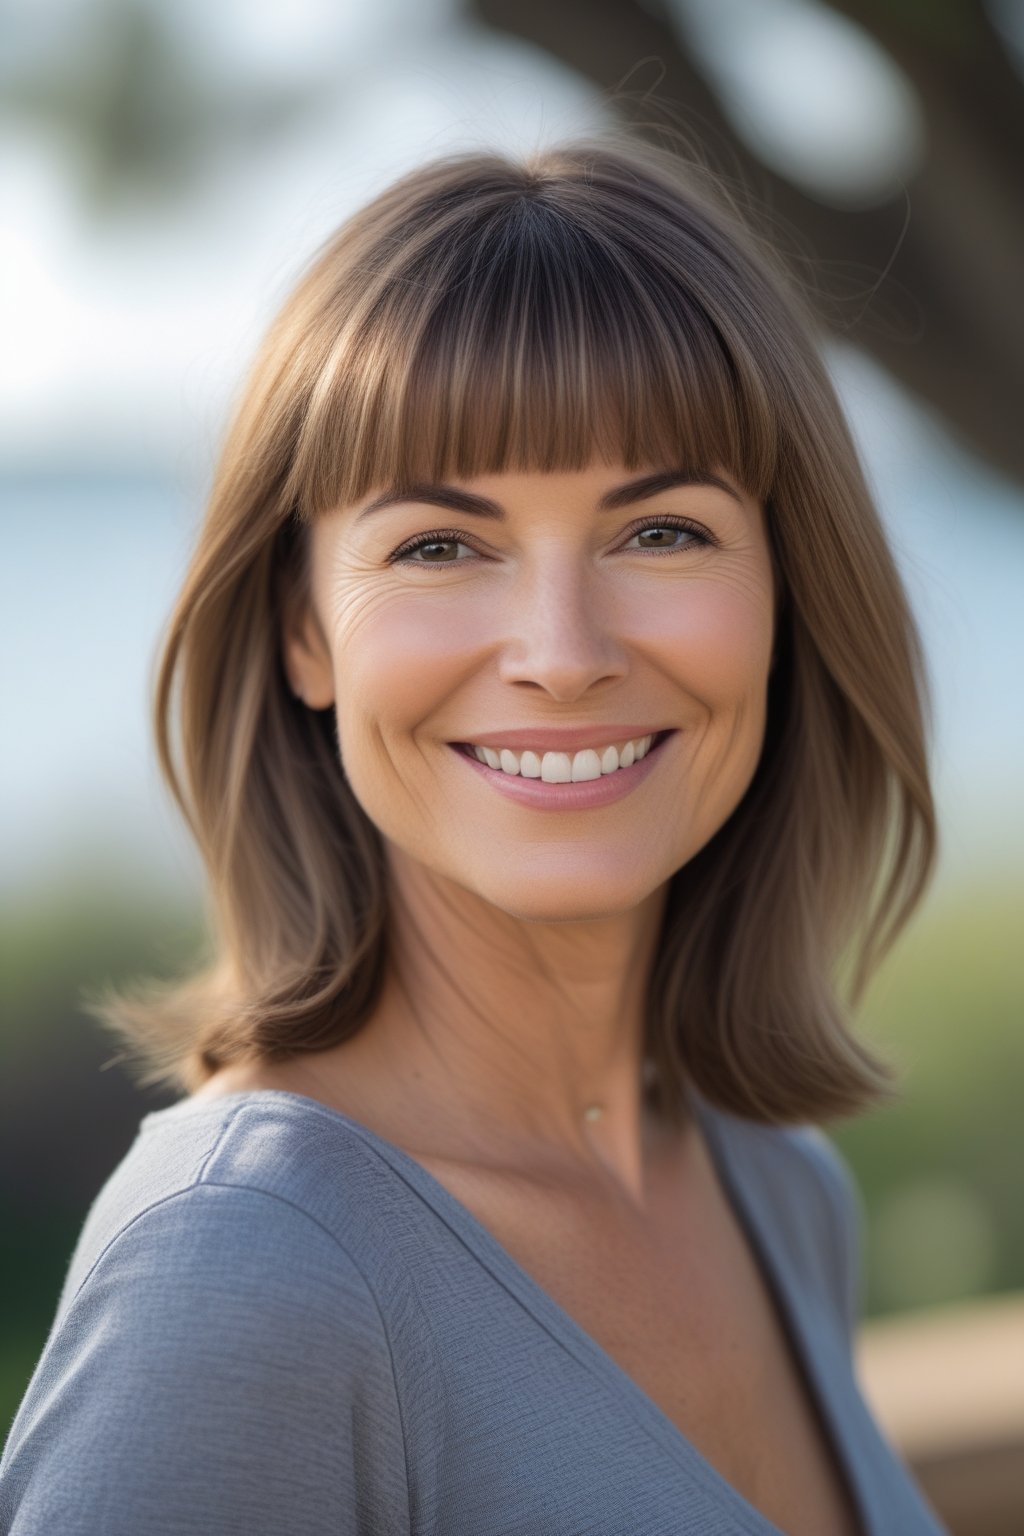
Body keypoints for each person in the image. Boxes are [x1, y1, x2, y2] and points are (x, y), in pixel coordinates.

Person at [0, 134, 950, 1535]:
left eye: (662, 533)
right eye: (440, 547)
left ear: (786, 594)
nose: (562, 655)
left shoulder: (773, 1186)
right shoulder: (237, 1271)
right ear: (304, 630)